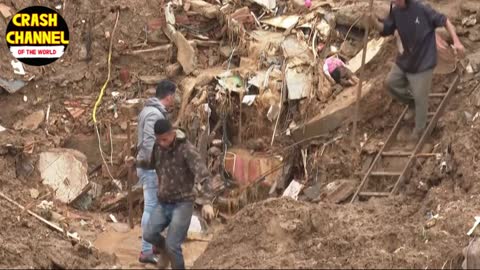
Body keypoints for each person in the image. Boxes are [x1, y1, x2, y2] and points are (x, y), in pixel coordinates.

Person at [367, 0, 465, 142]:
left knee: (421, 97)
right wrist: (374, 22)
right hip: (406, 59)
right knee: (390, 83)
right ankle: (411, 103)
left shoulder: (421, 8)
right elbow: (386, 28)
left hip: (424, 61)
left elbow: (444, 20)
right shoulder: (395, 11)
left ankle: (419, 132)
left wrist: (456, 41)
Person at [134, 119, 215, 269]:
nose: (161, 143)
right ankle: (164, 251)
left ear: (172, 134)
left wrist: (207, 202)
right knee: (149, 234)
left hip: (182, 203)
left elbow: (204, 176)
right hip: (164, 201)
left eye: (164, 139)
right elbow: (152, 164)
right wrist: (136, 163)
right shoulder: (158, 147)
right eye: (158, 140)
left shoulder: (187, 150)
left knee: (173, 245)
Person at [136, 80, 177, 264]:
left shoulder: (150, 111)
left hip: (149, 166)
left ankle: (151, 244)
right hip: (150, 168)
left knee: (154, 207)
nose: (174, 99)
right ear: (169, 96)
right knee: (151, 207)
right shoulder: (154, 114)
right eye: (173, 96)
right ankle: (145, 252)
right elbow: (148, 144)